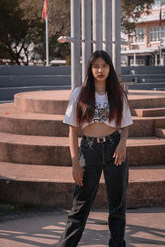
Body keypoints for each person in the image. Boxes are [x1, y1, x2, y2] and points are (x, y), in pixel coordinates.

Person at [57, 50, 133, 247]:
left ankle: (117, 244)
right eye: (96, 66)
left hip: (114, 149)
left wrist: (123, 142)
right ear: (90, 69)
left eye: (104, 66)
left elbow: (124, 125)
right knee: (79, 205)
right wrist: (75, 162)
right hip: (89, 151)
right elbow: (72, 131)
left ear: (110, 68)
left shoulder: (118, 93)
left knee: (117, 204)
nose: (100, 70)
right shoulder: (79, 93)